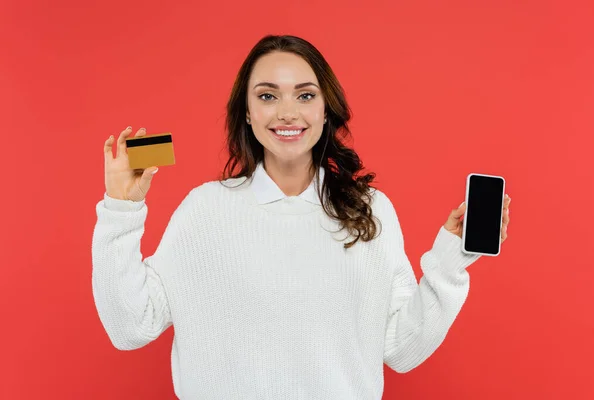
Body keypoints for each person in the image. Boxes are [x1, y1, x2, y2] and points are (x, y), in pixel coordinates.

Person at [93, 34, 511, 400]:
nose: (287, 112)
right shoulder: (204, 211)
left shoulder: (369, 211)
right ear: (247, 112)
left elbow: (402, 349)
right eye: (268, 95)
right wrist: (121, 209)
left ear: (326, 111)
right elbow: (130, 326)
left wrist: (452, 261)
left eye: (305, 95)